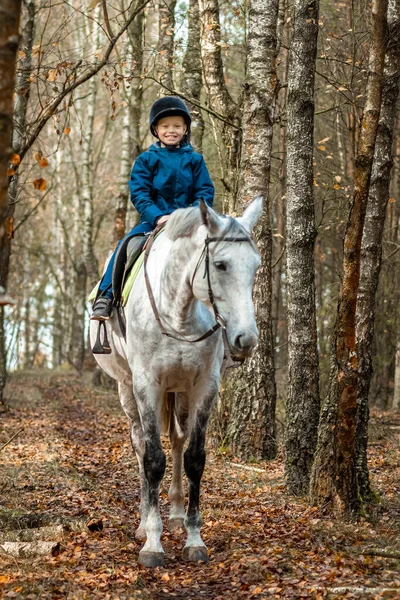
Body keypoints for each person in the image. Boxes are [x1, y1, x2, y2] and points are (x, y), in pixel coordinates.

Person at [91, 96, 215, 320]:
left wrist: (192, 217)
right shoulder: (146, 160)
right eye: (165, 126)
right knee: (125, 245)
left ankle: (220, 308)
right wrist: (157, 217)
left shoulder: (195, 160)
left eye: (177, 126)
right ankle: (106, 296)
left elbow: (204, 192)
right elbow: (139, 193)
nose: (171, 130)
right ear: (156, 130)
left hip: (188, 223)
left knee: (217, 250)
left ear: (185, 128)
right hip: (153, 222)